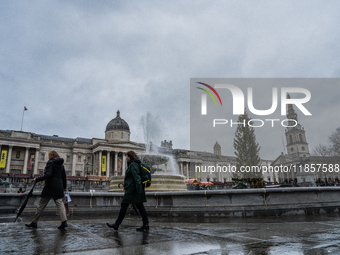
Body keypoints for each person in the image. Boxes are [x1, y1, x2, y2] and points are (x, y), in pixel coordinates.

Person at [106, 150, 149, 231]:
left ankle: (116, 224)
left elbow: (137, 178)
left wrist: (138, 190)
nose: (126, 158)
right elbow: (131, 178)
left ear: (130, 157)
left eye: (126, 157)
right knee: (140, 206)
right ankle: (145, 224)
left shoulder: (133, 165)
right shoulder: (134, 164)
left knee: (124, 205)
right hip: (133, 188)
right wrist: (127, 185)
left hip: (133, 190)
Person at [25, 150, 67, 229]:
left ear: (51, 156)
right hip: (58, 187)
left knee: (41, 205)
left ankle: (34, 222)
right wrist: (64, 187)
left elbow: (48, 175)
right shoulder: (61, 165)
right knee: (60, 205)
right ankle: (64, 222)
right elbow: (64, 177)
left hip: (50, 187)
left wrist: (37, 179)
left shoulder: (50, 162)